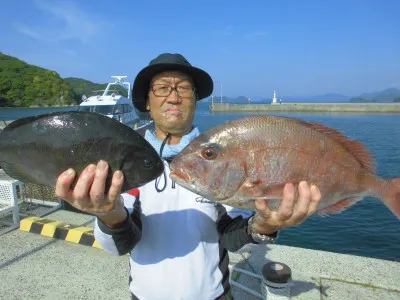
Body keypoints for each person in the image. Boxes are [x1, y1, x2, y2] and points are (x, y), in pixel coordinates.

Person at [55, 53, 321, 300]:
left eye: (183, 88)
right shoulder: (124, 164)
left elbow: (231, 237)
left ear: (195, 99)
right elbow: (120, 245)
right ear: (147, 102)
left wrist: (263, 226)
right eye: (162, 88)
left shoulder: (225, 160)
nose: (174, 97)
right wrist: (108, 214)